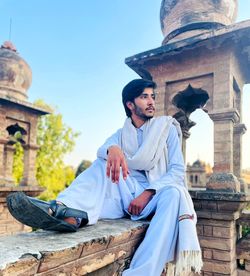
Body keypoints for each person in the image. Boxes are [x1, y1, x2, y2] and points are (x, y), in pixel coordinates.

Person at [7, 79, 202, 276]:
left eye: (153, 96)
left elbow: (177, 171)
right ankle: (65, 211)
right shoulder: (122, 133)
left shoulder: (166, 128)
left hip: (155, 198)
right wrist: (113, 149)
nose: (151, 101)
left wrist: (149, 193)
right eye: (144, 97)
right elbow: (102, 150)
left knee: (174, 193)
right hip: (127, 196)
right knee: (103, 163)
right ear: (130, 104)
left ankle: (142, 272)